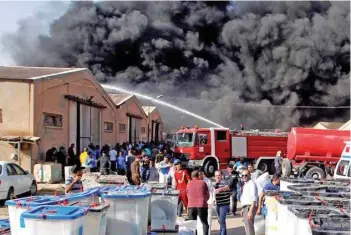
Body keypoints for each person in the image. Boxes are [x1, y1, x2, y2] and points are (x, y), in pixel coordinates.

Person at [186, 170, 209, 235]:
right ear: (198, 176)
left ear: (191, 176)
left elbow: (187, 194)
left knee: (193, 224)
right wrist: (205, 200)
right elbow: (207, 195)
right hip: (202, 205)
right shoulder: (203, 183)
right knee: (204, 223)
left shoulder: (189, 184)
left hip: (191, 205)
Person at [240, 169, 258, 235]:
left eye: (246, 175)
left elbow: (254, 198)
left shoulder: (251, 184)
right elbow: (245, 197)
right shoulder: (246, 184)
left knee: (249, 229)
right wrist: (242, 209)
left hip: (249, 207)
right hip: (246, 207)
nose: (244, 176)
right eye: (242, 175)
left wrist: (250, 211)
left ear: (249, 175)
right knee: (247, 228)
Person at [214, 170, 230, 235]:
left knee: (222, 221)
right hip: (217, 204)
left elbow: (227, 187)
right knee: (220, 221)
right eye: (216, 176)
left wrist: (220, 189)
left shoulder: (224, 181)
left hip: (224, 204)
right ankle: (223, 233)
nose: (218, 177)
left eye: (219, 175)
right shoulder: (215, 184)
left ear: (221, 176)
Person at [198, 168, 214, 234]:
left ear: (203, 174)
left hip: (208, 203)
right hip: (198, 204)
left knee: (208, 218)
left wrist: (211, 201)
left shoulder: (207, 181)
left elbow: (211, 191)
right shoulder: (196, 181)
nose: (200, 176)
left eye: (201, 174)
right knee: (199, 220)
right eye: (198, 174)